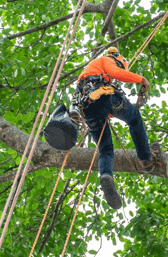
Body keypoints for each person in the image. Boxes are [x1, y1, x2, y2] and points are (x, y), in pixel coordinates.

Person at [69, 47, 161, 209]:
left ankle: (106, 176)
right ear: (118, 59)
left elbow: (103, 107)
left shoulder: (87, 75)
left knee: (105, 150)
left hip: (89, 109)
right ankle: (146, 159)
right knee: (135, 120)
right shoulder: (107, 60)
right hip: (105, 96)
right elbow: (116, 73)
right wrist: (141, 80)